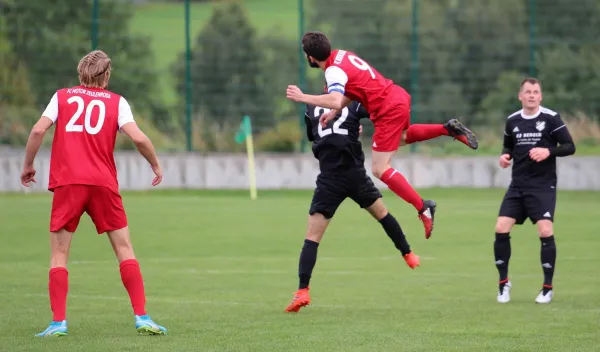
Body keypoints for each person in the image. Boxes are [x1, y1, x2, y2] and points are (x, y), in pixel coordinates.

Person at [21, 50, 167, 336]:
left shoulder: (61, 97)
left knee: (59, 254)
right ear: (107, 75)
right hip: (103, 184)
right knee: (124, 249)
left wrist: (28, 166)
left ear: (80, 73)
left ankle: (58, 323)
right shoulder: (117, 102)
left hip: (68, 183)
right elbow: (138, 137)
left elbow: (38, 131)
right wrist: (155, 164)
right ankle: (142, 317)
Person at [286, 31, 479, 240]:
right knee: (402, 138)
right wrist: (335, 112)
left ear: (310, 57)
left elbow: (333, 98)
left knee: (379, 168)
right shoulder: (341, 55)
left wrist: (303, 97)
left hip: (387, 109)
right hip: (397, 96)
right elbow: (353, 90)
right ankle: (447, 129)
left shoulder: (332, 72)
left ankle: (423, 207)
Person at [285, 98, 420, 313]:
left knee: (312, 239)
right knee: (383, 215)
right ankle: (408, 254)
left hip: (329, 180)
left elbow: (316, 135)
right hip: (355, 176)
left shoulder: (310, 107)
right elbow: (378, 113)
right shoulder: (354, 104)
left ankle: (302, 291)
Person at [495, 77, 576, 304]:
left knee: (544, 230)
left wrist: (548, 152)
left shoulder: (551, 118)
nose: (532, 95)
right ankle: (503, 284)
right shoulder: (512, 121)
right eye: (528, 92)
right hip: (517, 185)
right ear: (520, 96)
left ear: (540, 96)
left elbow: (570, 146)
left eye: (536, 92)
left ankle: (547, 288)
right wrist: (505, 157)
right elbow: (508, 146)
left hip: (542, 186)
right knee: (501, 228)